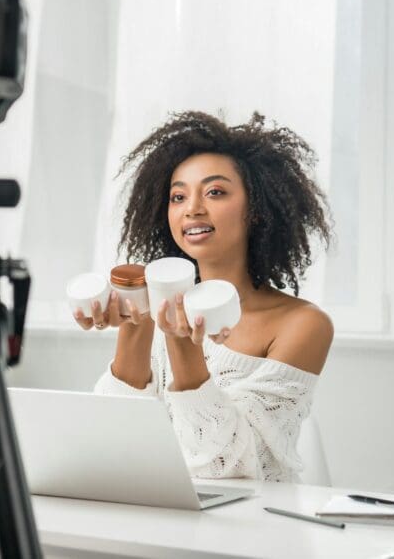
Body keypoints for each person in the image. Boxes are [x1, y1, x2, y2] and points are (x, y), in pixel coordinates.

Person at [73, 111, 334, 481]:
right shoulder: (158, 310)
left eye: (215, 192)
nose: (192, 208)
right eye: (178, 196)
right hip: (163, 520)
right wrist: (136, 323)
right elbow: (112, 439)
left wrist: (183, 344)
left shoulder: (303, 325)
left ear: (257, 210)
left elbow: (224, 468)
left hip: (257, 529)